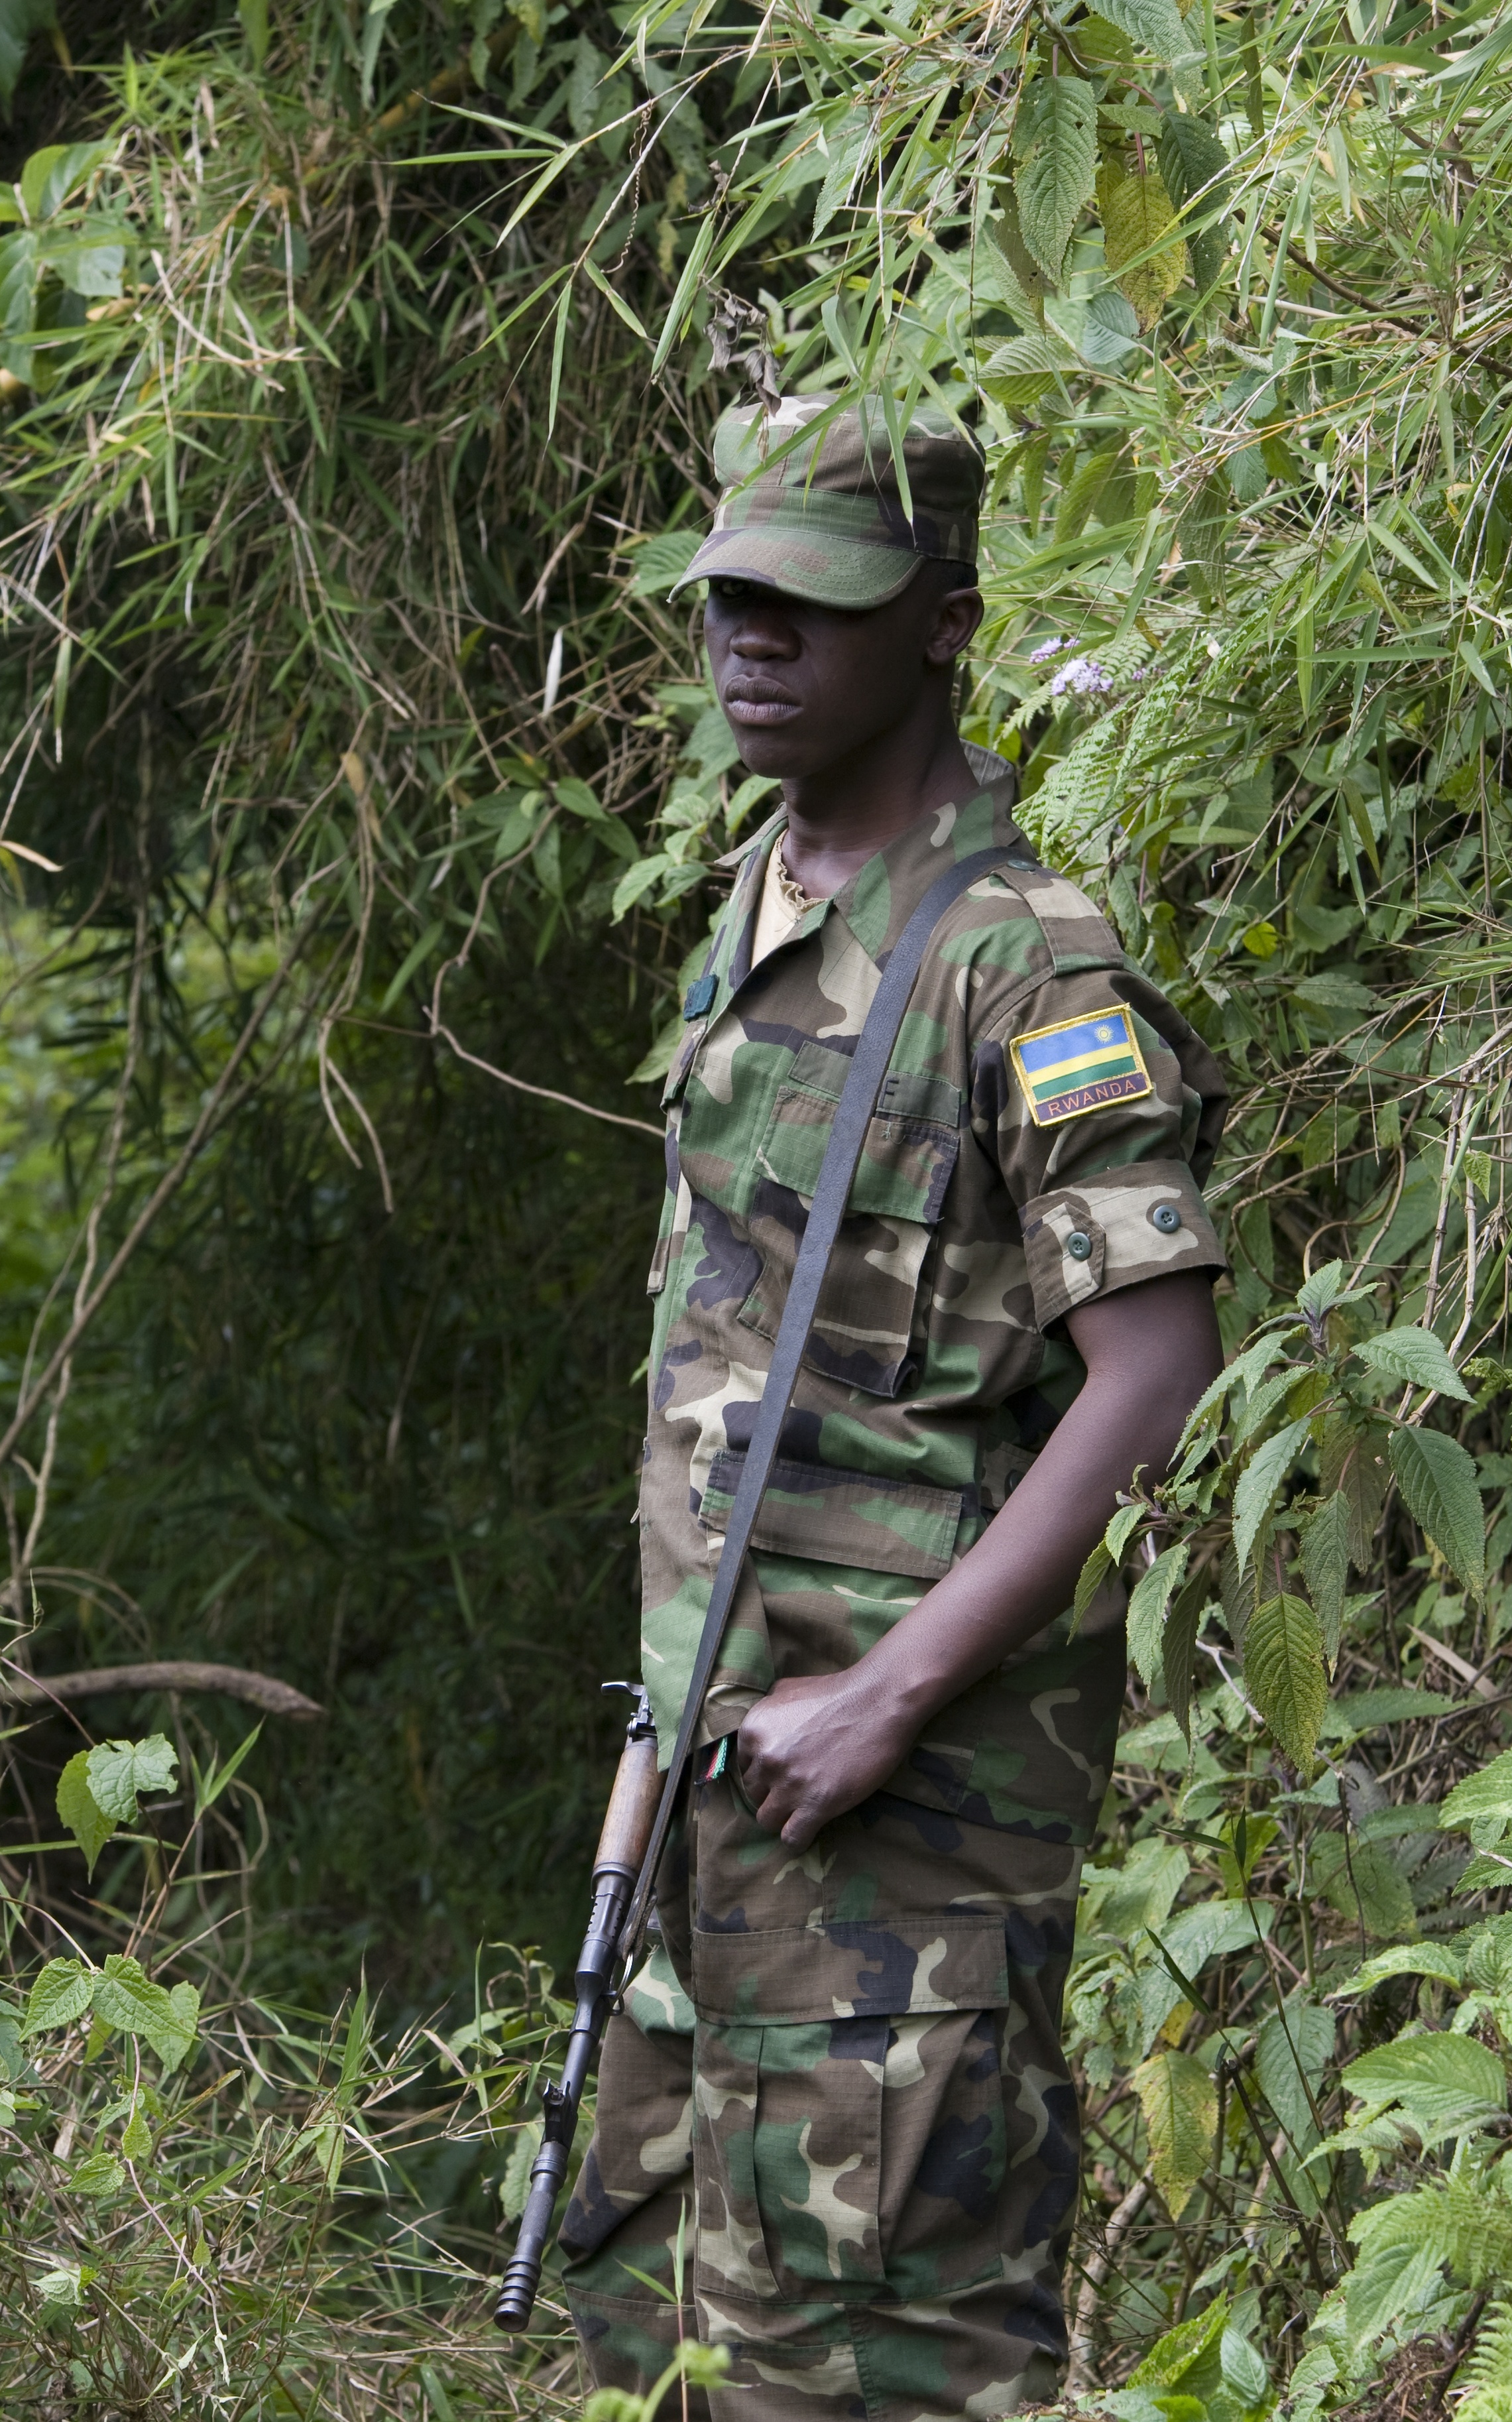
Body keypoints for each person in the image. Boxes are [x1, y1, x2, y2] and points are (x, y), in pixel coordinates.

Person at [559, 393, 1228, 2421]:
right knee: (658, 2321)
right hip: (718, 1782)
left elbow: (1157, 1359)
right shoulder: (757, 923)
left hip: (910, 1832)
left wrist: (890, 1694)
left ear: (943, 620)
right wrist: (665, 1731)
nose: (755, 647)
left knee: (888, 2361)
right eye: (729, 607)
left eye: (813, 610)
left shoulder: (1028, 971)